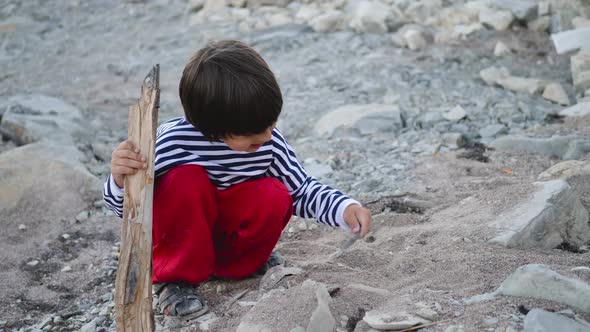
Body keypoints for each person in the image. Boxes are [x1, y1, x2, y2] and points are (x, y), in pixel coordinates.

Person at [103, 40, 372, 321]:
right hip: (184, 239)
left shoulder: (267, 144)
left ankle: (243, 264)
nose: (267, 136)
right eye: (254, 132)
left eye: (271, 125)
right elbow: (126, 210)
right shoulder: (169, 143)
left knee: (275, 193)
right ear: (212, 128)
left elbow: (301, 190)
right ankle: (176, 281)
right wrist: (120, 180)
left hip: (231, 243)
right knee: (186, 180)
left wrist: (344, 209)